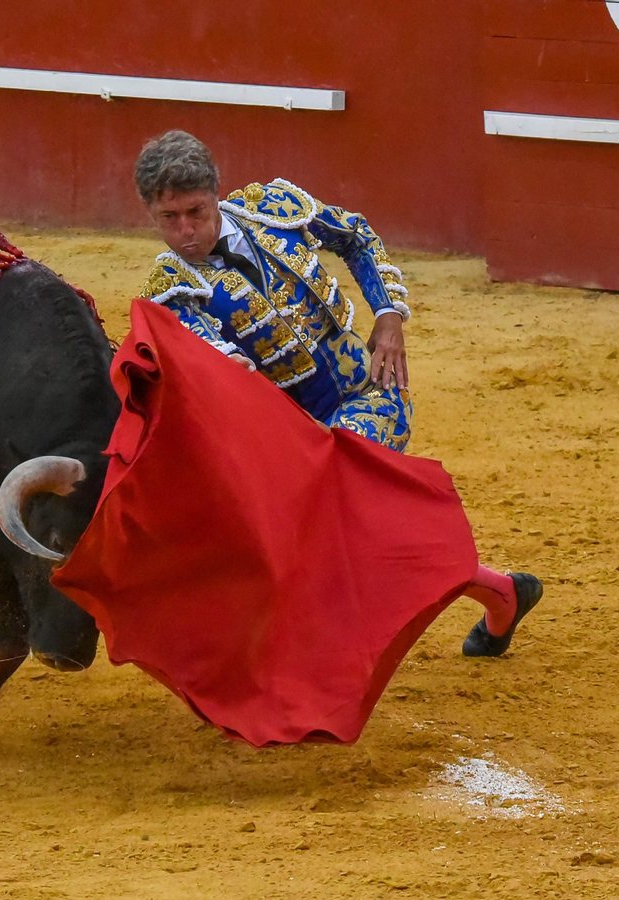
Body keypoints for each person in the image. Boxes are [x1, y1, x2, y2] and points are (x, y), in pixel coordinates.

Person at [131, 130, 541, 657]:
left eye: (196, 212)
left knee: (340, 508)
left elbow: (355, 236)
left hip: (368, 392)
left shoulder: (271, 208)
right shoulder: (169, 294)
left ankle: (321, 653)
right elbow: (226, 379)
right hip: (288, 440)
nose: (187, 232)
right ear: (150, 215)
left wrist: (389, 316)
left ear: (217, 194)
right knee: (359, 529)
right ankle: (501, 592)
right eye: (170, 220)